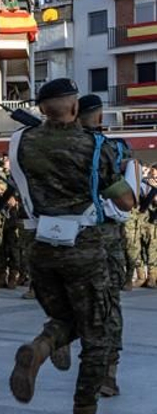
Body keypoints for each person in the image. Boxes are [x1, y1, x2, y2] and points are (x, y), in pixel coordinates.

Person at [6, 79, 132, 414]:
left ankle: (42, 348)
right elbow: (124, 201)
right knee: (98, 335)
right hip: (85, 248)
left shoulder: (22, 143)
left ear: (42, 108)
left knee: (68, 320)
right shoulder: (96, 147)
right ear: (75, 108)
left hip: (42, 245)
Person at [75, 94, 129, 396]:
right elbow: (125, 197)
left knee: (76, 304)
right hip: (105, 237)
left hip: (68, 237)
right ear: (98, 117)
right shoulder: (108, 148)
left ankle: (49, 342)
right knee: (109, 305)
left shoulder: (54, 145)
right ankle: (108, 373)